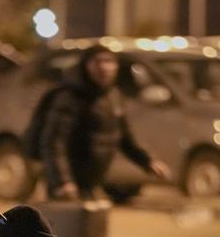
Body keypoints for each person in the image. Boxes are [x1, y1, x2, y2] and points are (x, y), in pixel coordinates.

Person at [41, 43, 170, 201]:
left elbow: (123, 137)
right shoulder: (70, 97)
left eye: (109, 61)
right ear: (86, 65)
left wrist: (148, 161)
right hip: (68, 186)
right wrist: (63, 181)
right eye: (97, 61)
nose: (104, 67)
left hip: (92, 183)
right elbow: (54, 142)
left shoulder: (113, 96)